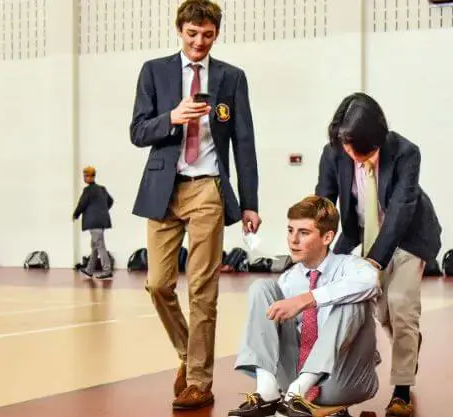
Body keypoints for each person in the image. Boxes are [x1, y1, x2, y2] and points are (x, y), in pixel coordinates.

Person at [129, 0, 261, 410]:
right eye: (192, 34)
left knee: (203, 288)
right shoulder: (154, 71)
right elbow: (137, 131)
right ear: (179, 31)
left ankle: (200, 380)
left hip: (208, 188)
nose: (199, 41)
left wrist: (251, 203)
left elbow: (244, 142)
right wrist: (173, 115)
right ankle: (189, 354)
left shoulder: (231, 77)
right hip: (163, 189)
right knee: (158, 284)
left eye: (207, 34)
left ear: (215, 34)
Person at [314, 92, 441, 417]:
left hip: (409, 237)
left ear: (379, 139)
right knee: (382, 313)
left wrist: (373, 261)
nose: (358, 158)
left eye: (367, 152)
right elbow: (323, 205)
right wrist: (316, 250)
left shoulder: (406, 153)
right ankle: (408, 343)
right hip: (363, 236)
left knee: (400, 304)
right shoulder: (333, 153)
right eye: (350, 150)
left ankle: (401, 389)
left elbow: (400, 210)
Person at [229, 195, 380, 417]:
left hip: (343, 379)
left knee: (352, 301)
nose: (293, 240)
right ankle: (267, 391)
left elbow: (371, 281)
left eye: (304, 233)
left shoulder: (350, 266)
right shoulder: (288, 280)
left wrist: (307, 299)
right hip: (292, 379)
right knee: (261, 287)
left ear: (327, 236)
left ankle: (300, 390)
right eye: (290, 230)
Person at [72, 166, 114, 279]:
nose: (84, 178)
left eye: (85, 176)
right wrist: (102, 211)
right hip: (102, 221)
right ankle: (89, 270)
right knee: (95, 246)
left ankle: (107, 270)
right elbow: (110, 201)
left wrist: (75, 214)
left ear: (89, 176)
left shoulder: (88, 190)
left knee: (100, 246)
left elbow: (82, 204)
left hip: (94, 222)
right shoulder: (102, 189)